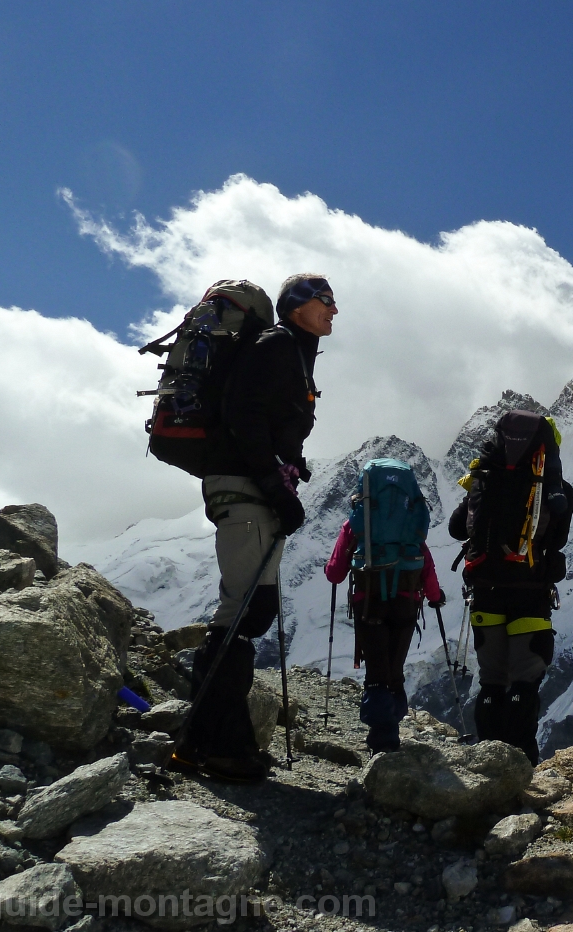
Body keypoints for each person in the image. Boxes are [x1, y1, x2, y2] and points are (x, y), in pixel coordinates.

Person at [172, 273, 338, 783]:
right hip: (245, 486)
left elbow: (263, 418)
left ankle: (216, 740)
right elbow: (243, 413)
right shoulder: (277, 345)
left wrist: (284, 475)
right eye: (325, 301)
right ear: (296, 306)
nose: (334, 310)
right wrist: (272, 482)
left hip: (251, 484)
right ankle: (213, 746)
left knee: (248, 609)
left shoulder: (291, 350)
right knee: (244, 611)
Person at [447, 410, 573, 765]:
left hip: (485, 591)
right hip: (531, 593)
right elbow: (558, 537)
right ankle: (521, 763)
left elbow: (457, 529)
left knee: (491, 679)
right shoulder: (556, 490)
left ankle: (488, 760)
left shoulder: (482, 477)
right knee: (524, 679)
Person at [323, 518, 443, 753]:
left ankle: (382, 740)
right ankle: (392, 728)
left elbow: (335, 573)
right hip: (406, 604)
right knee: (394, 671)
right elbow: (425, 562)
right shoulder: (409, 521)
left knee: (377, 673)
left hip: (369, 604)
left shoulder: (356, 521)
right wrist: (435, 596)